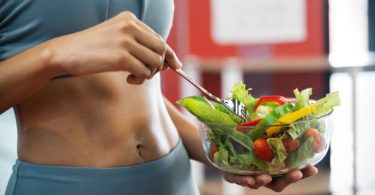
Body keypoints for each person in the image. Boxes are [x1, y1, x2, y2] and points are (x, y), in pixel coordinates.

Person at [0, 0, 318, 194]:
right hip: (71, 187)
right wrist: (53, 55)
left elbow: (135, 96)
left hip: (174, 180)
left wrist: (224, 153)